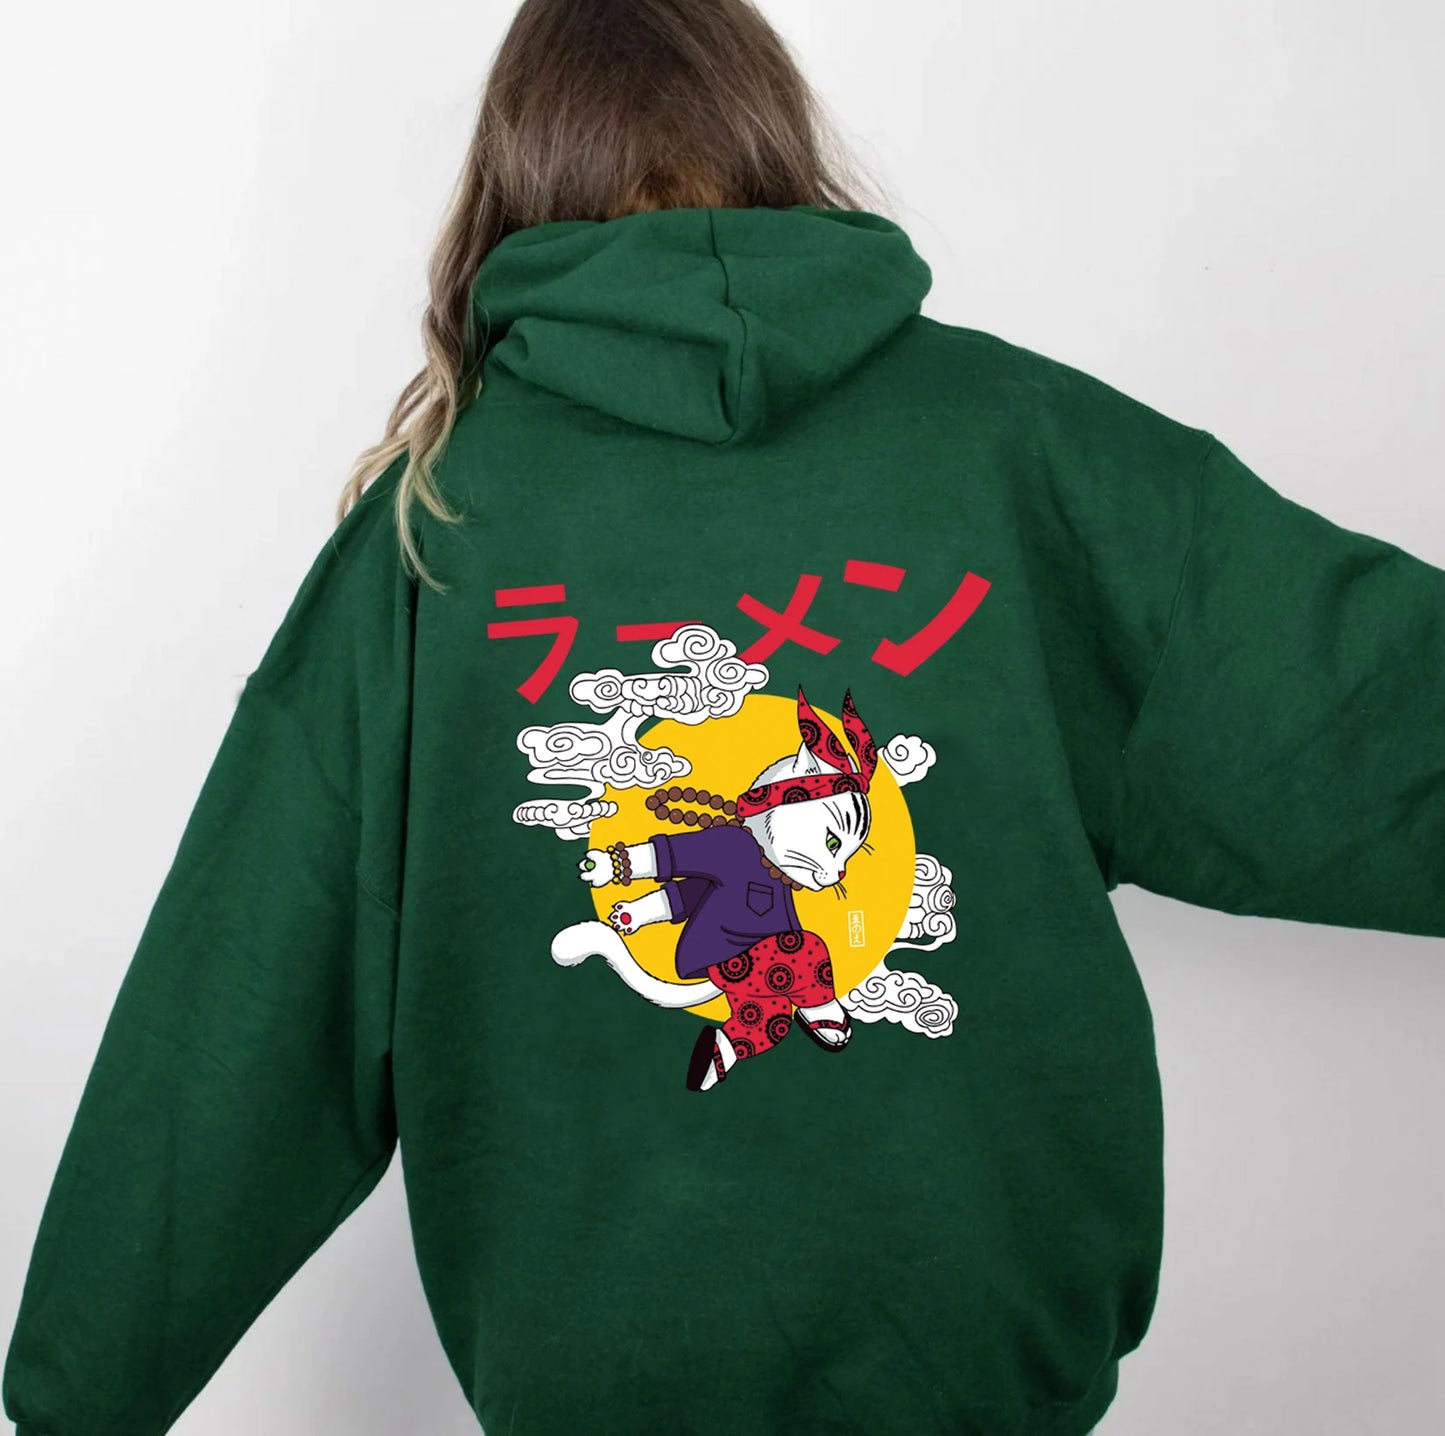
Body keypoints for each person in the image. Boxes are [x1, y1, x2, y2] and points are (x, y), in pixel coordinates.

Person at [4, 0, 1441, 1433]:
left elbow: (244, 1004)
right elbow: (1366, 709)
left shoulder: (441, 529)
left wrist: (76, 1394)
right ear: (775, 134)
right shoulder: (1032, 449)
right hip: (992, 1371)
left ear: (517, 174)